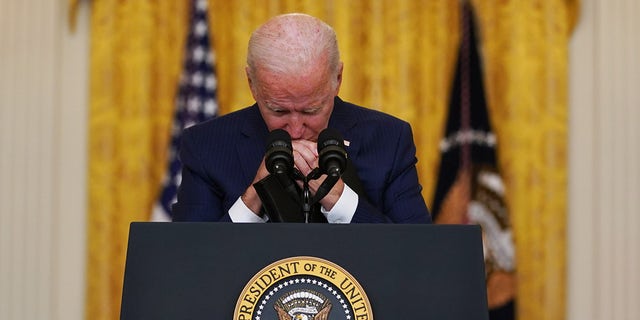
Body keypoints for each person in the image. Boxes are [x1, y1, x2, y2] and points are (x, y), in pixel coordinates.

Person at [172, 13, 431, 223]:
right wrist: (254, 198)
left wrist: (341, 201)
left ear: (337, 79)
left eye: (311, 110)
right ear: (252, 83)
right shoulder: (206, 145)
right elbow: (189, 263)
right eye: (279, 111)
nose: (295, 130)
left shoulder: (388, 140)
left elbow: (418, 256)